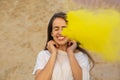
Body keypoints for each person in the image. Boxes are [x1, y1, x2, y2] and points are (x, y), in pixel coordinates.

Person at [33, 12, 94, 80]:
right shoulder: (43, 55)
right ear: (52, 33)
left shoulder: (80, 56)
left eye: (64, 29)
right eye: (56, 29)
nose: (60, 32)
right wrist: (53, 54)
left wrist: (70, 52)